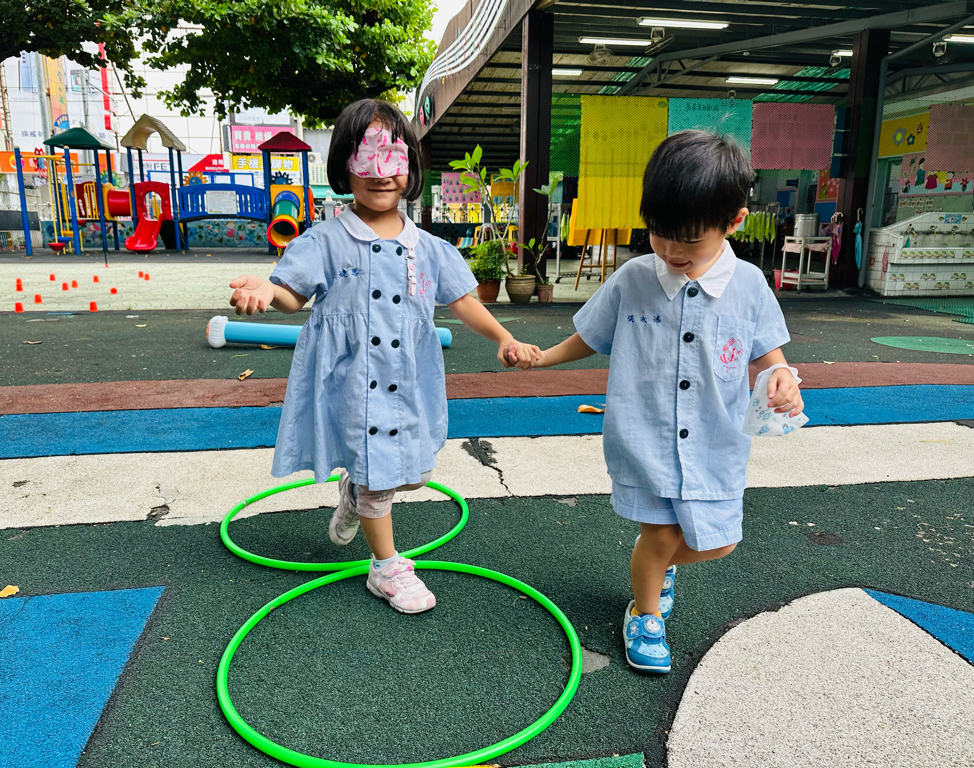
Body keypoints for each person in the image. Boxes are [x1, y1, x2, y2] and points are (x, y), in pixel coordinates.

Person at [229, 99, 539, 614]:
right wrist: (267, 290)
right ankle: (386, 566)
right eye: (365, 155)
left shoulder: (429, 248)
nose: (380, 171)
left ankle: (355, 494)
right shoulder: (326, 241)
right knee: (380, 475)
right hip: (352, 379)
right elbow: (291, 295)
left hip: (407, 379)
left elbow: (464, 301)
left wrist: (503, 337)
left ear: (410, 167)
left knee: (409, 473)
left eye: (392, 156)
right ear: (344, 165)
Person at [512, 131, 804, 673]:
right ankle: (645, 613)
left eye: (688, 241)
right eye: (659, 234)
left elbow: (769, 353)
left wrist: (783, 377)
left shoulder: (749, 285)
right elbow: (591, 336)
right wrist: (543, 358)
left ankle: (659, 567)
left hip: (715, 443)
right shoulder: (634, 279)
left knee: (720, 543)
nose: (670, 251)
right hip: (644, 436)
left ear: (734, 222)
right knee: (661, 534)